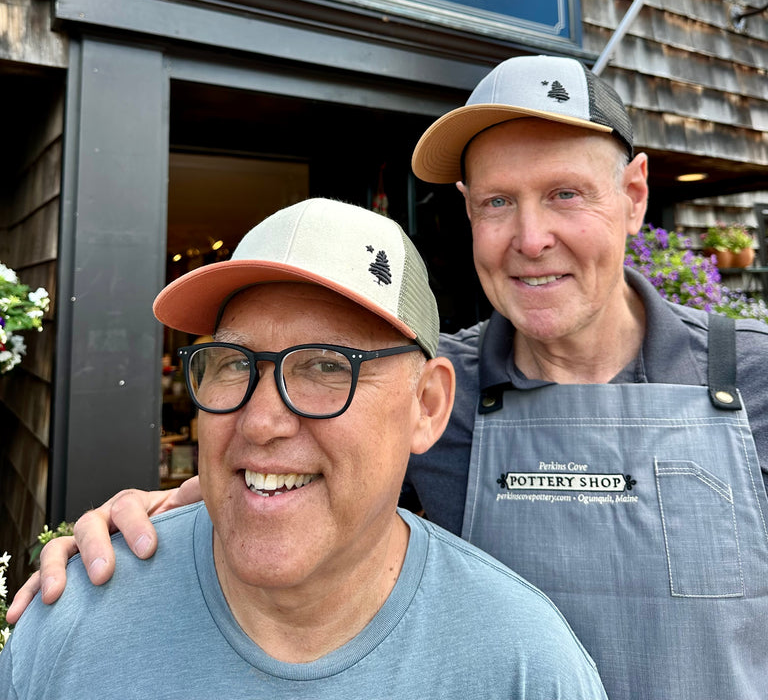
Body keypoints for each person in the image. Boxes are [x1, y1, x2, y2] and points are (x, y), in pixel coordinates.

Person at [9, 55, 768, 700]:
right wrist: (149, 526)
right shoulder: (433, 387)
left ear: (634, 195)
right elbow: (291, 485)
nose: (532, 238)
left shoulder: (754, 378)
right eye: (498, 202)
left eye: (566, 194)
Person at [0, 197, 607, 700]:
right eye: (234, 363)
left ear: (426, 407)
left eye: (326, 365)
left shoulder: (522, 665)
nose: (261, 421)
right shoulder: (73, 625)